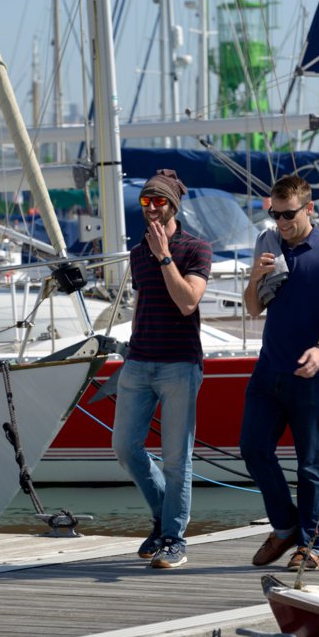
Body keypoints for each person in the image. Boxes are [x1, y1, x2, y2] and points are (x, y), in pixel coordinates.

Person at [240, 174, 319, 571]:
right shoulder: (269, 246)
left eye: (288, 214)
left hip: (315, 373)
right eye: (275, 214)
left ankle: (311, 544)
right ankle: (287, 524)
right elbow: (253, 309)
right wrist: (256, 275)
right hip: (269, 368)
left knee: (312, 463)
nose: (282, 222)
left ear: (308, 208)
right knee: (253, 449)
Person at [112, 169, 212, 569]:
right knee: (124, 448)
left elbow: (188, 301)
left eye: (160, 202)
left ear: (174, 205)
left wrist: (165, 256)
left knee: (176, 458)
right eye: (146, 201)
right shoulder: (138, 253)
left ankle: (173, 537)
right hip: (139, 361)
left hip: (179, 364)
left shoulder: (195, 249)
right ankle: (161, 516)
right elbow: (144, 304)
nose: (152, 208)